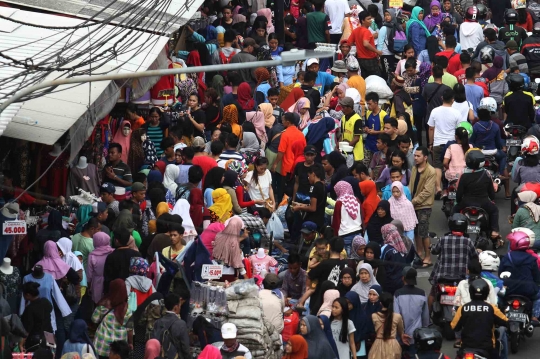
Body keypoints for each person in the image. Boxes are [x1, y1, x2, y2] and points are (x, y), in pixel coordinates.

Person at [428, 214, 477, 311]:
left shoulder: (443, 239)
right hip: (461, 278)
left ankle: (427, 317)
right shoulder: (468, 241)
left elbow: (434, 251)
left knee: (432, 294)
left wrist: (431, 246)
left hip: (442, 277)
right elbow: (474, 256)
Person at [451, 279, 508, 358]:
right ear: (486, 293)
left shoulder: (463, 308)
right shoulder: (492, 308)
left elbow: (454, 326)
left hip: (466, 347)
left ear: (470, 292)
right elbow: (505, 321)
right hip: (487, 348)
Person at [454, 149, 501, 243]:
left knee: (454, 211)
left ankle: (454, 231)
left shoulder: (464, 175)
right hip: (483, 203)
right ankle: (494, 231)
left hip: (466, 202)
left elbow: (459, 194)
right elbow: (492, 195)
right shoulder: (486, 174)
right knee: (494, 210)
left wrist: (458, 202)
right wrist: (491, 199)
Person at [500, 229, 540, 322]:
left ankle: (500, 314)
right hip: (528, 290)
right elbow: (537, 278)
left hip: (509, 289)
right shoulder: (532, 258)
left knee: (498, 297)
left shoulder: (507, 257)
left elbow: (500, 274)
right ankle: (535, 316)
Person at [427, 88, 462, 195]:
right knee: (451, 165)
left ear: (442, 98)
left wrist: (430, 143)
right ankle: (452, 186)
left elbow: (431, 128)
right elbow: (459, 129)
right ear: (453, 99)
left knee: (437, 166)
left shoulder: (434, 111)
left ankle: (438, 188)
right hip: (451, 144)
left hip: (438, 143)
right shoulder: (457, 113)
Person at [91, 279, 133, 358]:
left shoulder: (103, 304)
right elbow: (130, 329)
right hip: (119, 349)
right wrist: (130, 343)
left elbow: (94, 319)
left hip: (102, 344)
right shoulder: (128, 309)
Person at [409, 147, 436, 267]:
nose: (415, 158)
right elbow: (410, 186)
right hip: (413, 205)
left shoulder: (431, 171)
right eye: (415, 155)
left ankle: (428, 257)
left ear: (425, 157)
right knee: (415, 231)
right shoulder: (414, 168)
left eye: (418, 156)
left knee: (424, 232)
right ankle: (419, 253)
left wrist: (413, 201)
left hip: (424, 206)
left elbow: (427, 192)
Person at [394, 267, 429, 357]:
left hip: (402, 336)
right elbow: (425, 317)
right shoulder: (422, 293)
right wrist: (424, 331)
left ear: (403, 278)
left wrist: (401, 334)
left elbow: (396, 317)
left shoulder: (397, 294)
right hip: (417, 336)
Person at [308, 238, 347, 315]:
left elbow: (310, 275)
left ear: (330, 247)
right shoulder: (346, 264)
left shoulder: (324, 263)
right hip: (340, 301)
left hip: (321, 301)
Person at [368, 293, 407, 359]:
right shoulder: (397, 316)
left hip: (378, 344)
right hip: (393, 345)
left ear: (380, 303)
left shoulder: (374, 316)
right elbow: (401, 331)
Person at [152, 293, 190, 359]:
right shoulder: (181, 324)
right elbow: (185, 348)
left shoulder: (157, 322)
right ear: (175, 307)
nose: (180, 308)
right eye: (179, 306)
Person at [103, 228, 140, 294]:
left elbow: (107, 278)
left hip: (116, 291)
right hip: (133, 291)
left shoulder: (111, 257)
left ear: (116, 241)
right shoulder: (137, 254)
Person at [20, 282, 53, 352]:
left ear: (28, 295)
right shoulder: (45, 301)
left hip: (36, 340)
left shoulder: (30, 309)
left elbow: (28, 328)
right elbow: (50, 308)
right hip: (50, 336)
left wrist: (21, 343)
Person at [347, 11, 382, 77]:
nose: (370, 21)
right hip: (370, 59)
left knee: (364, 78)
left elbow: (349, 42)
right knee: (376, 78)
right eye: (368, 19)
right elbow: (365, 44)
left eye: (370, 19)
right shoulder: (366, 31)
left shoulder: (356, 30)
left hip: (360, 59)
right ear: (362, 21)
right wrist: (377, 51)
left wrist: (357, 43)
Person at [332, 181, 362, 254]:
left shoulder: (339, 203)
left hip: (345, 234)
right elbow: (362, 216)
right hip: (358, 232)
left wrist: (334, 236)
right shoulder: (356, 200)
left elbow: (336, 221)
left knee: (347, 258)